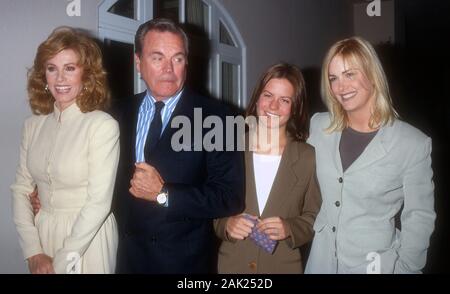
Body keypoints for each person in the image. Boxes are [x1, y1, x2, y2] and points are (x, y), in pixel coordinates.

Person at [111, 18, 245, 273]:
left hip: (183, 265)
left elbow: (230, 197)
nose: (169, 69)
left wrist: (164, 194)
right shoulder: (116, 113)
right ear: (138, 62)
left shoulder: (219, 118)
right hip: (127, 260)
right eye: (157, 57)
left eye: (178, 58)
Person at [304, 37, 436, 274]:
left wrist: (405, 267)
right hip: (321, 260)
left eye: (350, 74)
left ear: (372, 75)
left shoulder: (413, 143)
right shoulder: (319, 126)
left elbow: (420, 216)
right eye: (333, 78)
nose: (340, 87)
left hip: (375, 264)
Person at [11, 27, 119, 274]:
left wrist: (62, 262)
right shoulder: (32, 126)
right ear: (43, 75)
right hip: (43, 233)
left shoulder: (102, 126)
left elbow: (98, 204)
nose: (60, 79)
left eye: (70, 68)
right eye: (52, 68)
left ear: (87, 75)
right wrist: (33, 251)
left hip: (88, 239)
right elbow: (20, 189)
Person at [214, 63, 322, 274]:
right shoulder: (229, 148)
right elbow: (210, 205)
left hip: (283, 267)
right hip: (232, 267)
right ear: (256, 100)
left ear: (295, 108)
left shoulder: (308, 157)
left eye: (284, 100)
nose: (273, 106)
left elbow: (315, 216)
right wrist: (225, 225)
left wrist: (290, 228)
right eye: (268, 95)